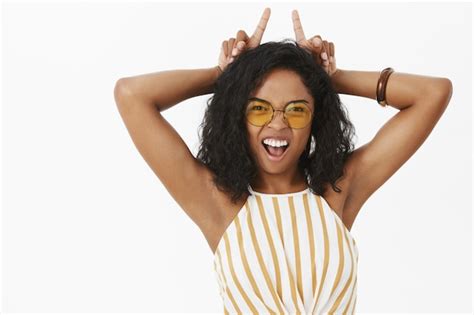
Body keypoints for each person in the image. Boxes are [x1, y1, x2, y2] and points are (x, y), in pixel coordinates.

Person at [113, 7, 452, 314]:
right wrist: (225, 76)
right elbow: (131, 94)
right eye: (259, 108)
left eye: (297, 109)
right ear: (238, 116)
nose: (278, 123)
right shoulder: (217, 203)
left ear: (316, 117)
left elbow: (433, 93)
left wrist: (330, 79)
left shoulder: (338, 192)